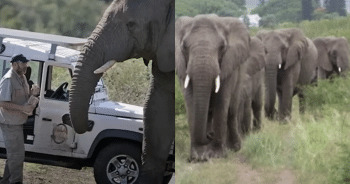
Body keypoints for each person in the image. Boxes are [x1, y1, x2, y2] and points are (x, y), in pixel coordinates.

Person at [0, 54, 38, 184]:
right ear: (15, 64)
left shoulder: (21, 77)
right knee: (17, 156)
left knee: (14, 156)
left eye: (26, 63)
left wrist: (33, 94)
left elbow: (23, 97)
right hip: (10, 123)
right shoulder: (8, 79)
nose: (26, 66)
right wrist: (22, 109)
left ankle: (5, 181)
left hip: (17, 123)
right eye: (23, 63)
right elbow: (2, 103)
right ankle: (16, 182)